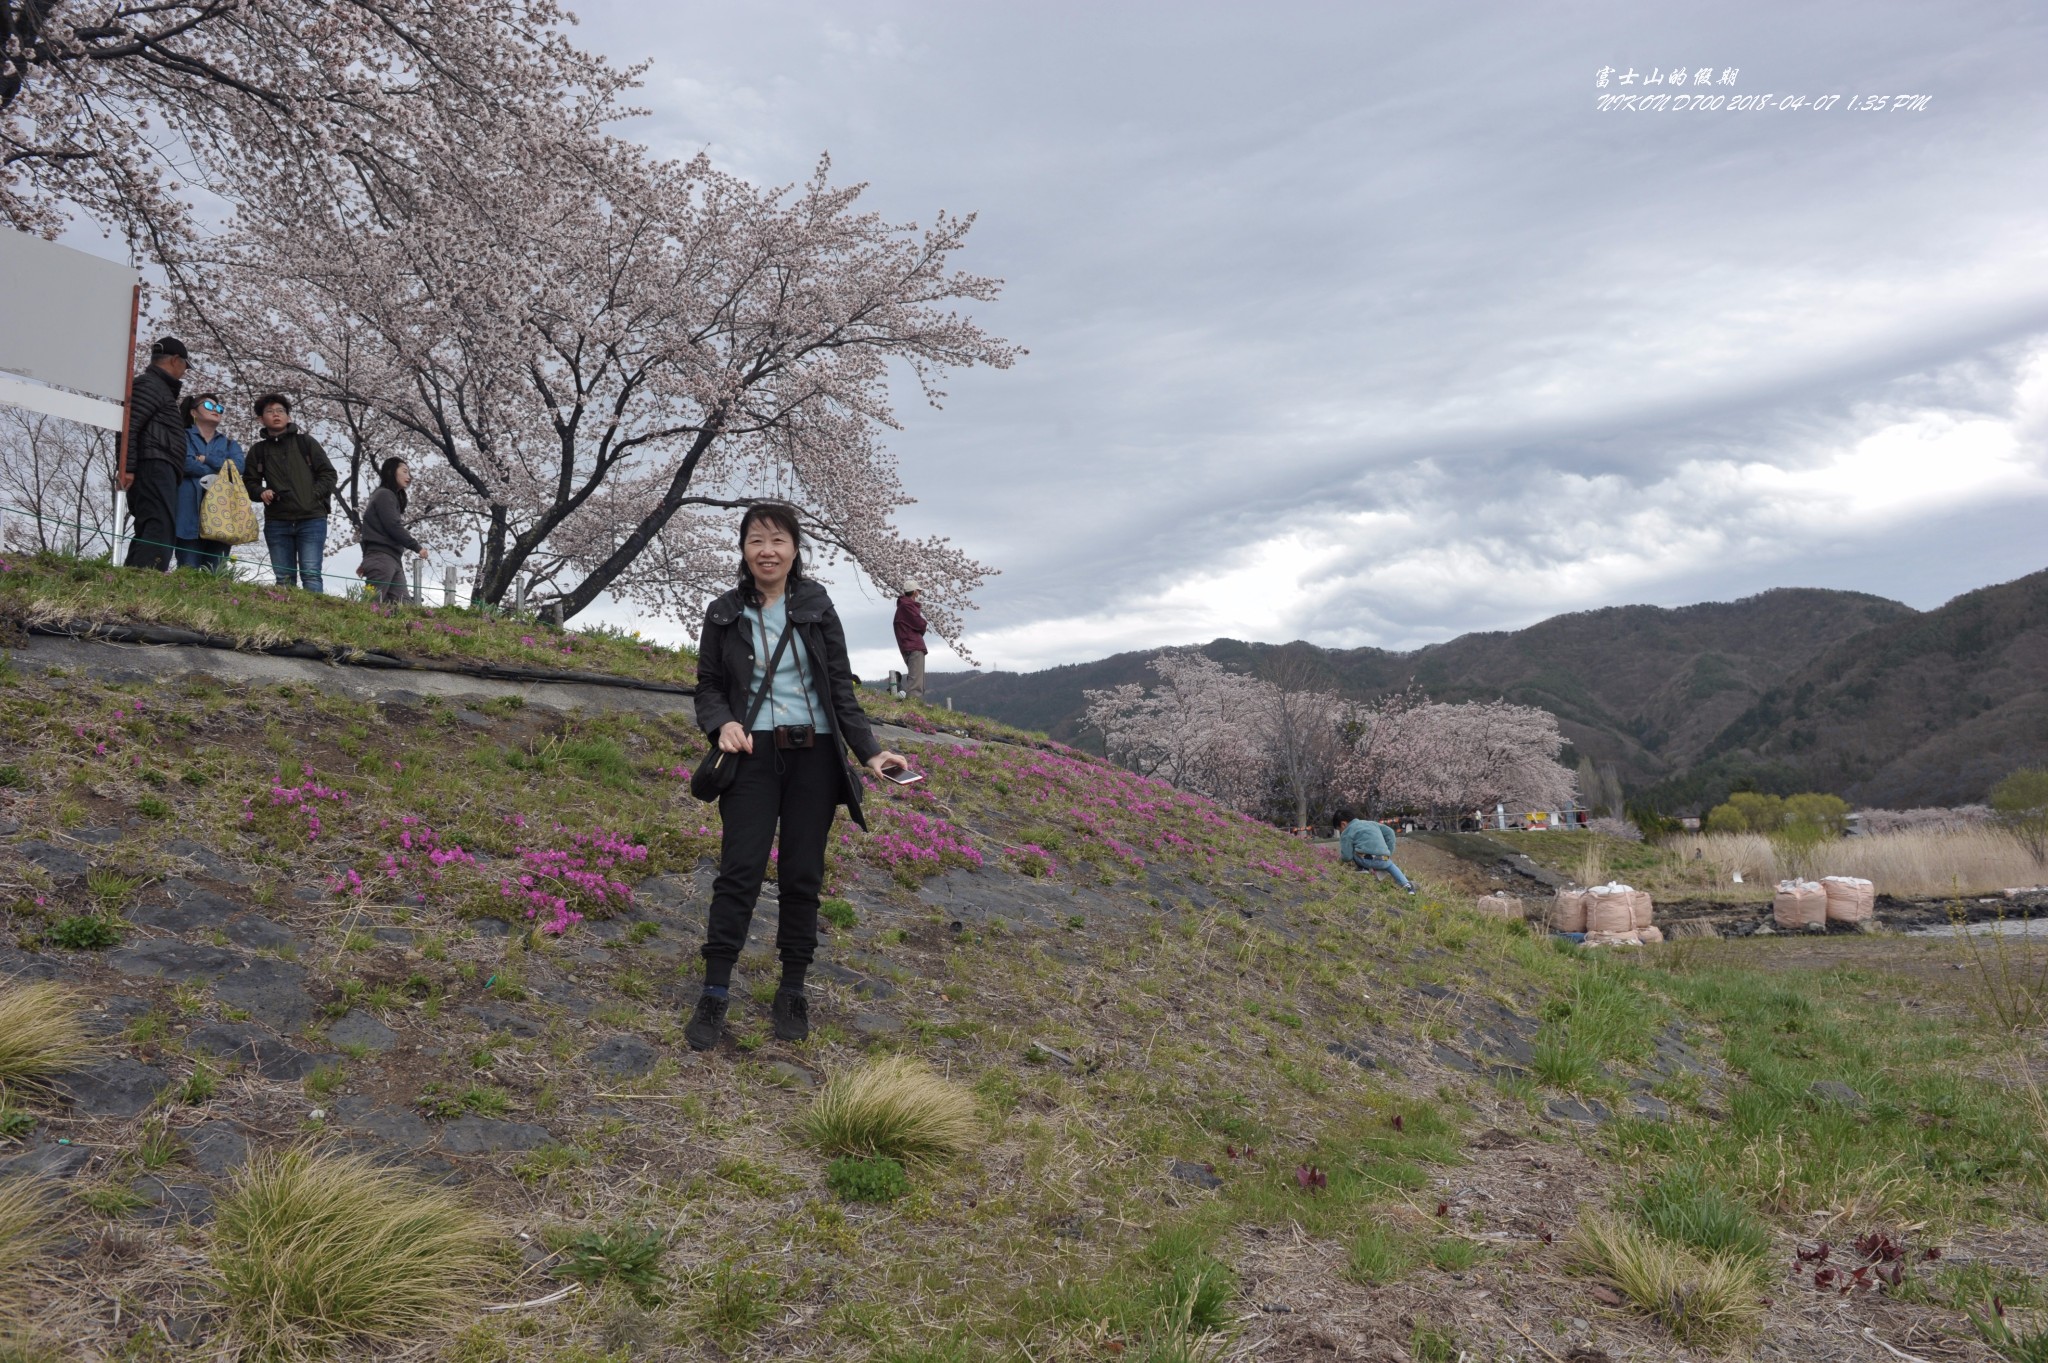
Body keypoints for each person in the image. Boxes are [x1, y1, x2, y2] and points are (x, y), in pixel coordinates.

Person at [686, 503, 911, 1051]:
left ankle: (792, 987)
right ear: (743, 549)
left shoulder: (816, 607)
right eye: (756, 540)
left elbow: (840, 689)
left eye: (778, 540)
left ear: (795, 549)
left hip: (816, 755)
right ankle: (715, 989)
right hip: (751, 757)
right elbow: (708, 687)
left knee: (802, 875)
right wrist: (723, 724)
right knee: (739, 870)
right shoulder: (723, 612)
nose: (767, 550)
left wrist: (871, 754)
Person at [243, 393, 337, 592]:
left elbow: (328, 474)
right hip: (277, 520)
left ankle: (313, 619)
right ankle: (286, 620)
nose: (276, 415)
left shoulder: (306, 443)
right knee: (283, 579)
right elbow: (249, 483)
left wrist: (313, 495)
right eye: (269, 412)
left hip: (311, 518)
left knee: (311, 574)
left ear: (288, 416)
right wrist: (261, 492)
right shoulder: (258, 451)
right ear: (261, 419)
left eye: (280, 411)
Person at [121, 337, 190, 572]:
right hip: (153, 464)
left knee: (157, 525)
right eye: (185, 366)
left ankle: (133, 579)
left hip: (160, 465)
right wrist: (127, 467)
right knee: (159, 525)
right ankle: (144, 581)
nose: (184, 372)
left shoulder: (159, 389)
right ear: (175, 360)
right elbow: (129, 426)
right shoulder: (149, 385)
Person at [174, 393, 245, 571]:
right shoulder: (182, 436)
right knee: (187, 570)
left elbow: (238, 469)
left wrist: (205, 459)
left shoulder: (230, 444)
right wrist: (220, 471)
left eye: (219, 408)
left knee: (215, 574)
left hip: (222, 515)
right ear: (193, 412)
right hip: (189, 512)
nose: (216, 410)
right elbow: (186, 463)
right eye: (209, 406)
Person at [358, 458, 426, 603]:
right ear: (391, 472)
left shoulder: (388, 496)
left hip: (390, 558)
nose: (409, 477)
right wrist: (416, 547)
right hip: (382, 558)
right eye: (404, 471)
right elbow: (393, 526)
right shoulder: (384, 495)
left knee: (403, 604)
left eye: (410, 473)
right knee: (372, 604)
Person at [1335, 807, 1416, 893]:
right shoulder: (1372, 823)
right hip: (1384, 859)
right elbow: (1390, 832)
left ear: (1343, 824)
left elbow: (1347, 857)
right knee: (1391, 865)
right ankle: (1407, 885)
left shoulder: (1347, 831)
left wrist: (1342, 859)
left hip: (1364, 860)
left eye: (1340, 830)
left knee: (1355, 850)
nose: (1341, 832)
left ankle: (1363, 869)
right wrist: (1389, 851)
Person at [893, 580, 928, 700]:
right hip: (913, 646)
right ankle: (913, 707)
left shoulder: (903, 607)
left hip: (908, 645)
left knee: (915, 678)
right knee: (916, 681)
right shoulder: (907, 606)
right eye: (918, 591)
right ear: (914, 592)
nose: (919, 594)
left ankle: (914, 706)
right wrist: (923, 623)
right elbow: (920, 624)